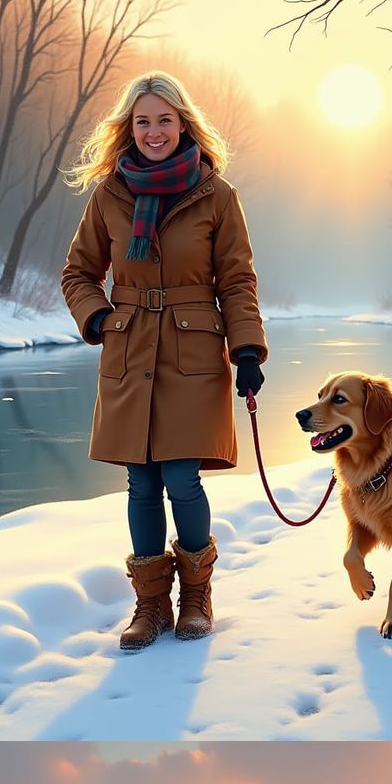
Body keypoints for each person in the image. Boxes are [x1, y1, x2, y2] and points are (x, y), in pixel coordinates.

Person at [62, 71, 268, 651]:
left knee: (182, 476)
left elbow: (236, 277)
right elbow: (78, 272)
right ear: (129, 127)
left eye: (164, 120)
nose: (153, 131)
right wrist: (99, 318)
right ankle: (149, 605)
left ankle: (196, 597)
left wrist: (247, 347)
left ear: (184, 124)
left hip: (194, 350)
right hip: (129, 352)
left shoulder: (217, 195)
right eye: (143, 121)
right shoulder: (109, 195)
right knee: (141, 481)